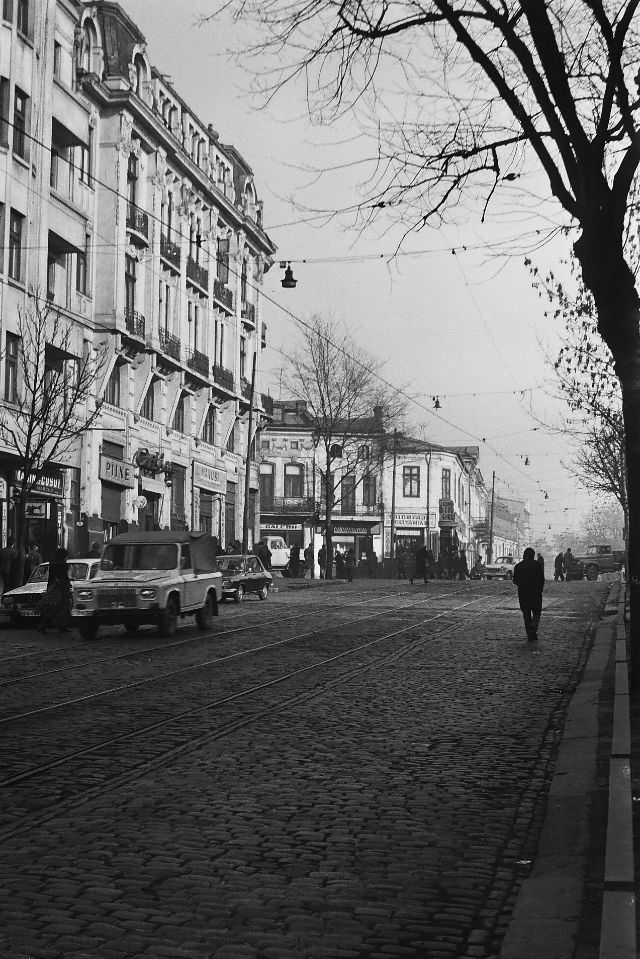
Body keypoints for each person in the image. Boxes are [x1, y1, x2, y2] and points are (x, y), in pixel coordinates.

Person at [513, 547, 545, 641]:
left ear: (524, 555)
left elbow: (515, 581)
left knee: (526, 614)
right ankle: (533, 628)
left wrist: (522, 584)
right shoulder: (538, 565)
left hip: (523, 593)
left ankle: (530, 634)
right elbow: (541, 579)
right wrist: (540, 588)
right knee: (537, 613)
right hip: (536, 593)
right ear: (533, 555)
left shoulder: (518, 566)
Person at [39, 547, 73, 634]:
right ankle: (62, 626)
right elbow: (64, 576)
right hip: (61, 587)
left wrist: (49, 586)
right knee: (63, 607)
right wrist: (68, 584)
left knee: (51, 607)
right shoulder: (63, 564)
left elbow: (51, 576)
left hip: (53, 586)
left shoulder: (52, 563)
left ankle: (44, 626)